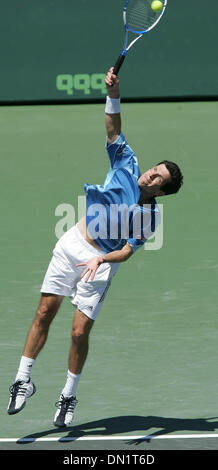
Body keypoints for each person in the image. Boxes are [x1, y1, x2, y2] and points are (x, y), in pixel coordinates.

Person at [7, 68, 183, 427]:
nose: (149, 175)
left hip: (101, 262)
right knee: (44, 312)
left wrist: (101, 258)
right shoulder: (126, 161)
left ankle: (69, 393)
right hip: (73, 242)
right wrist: (113, 93)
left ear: (162, 192)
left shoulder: (150, 216)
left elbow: (128, 252)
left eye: (157, 179)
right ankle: (22, 379)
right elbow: (113, 126)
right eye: (153, 170)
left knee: (78, 332)